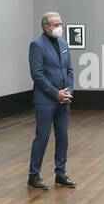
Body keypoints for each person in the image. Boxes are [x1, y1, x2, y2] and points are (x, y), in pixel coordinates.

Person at [27, 11, 76, 190]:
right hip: (45, 100)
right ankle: (33, 175)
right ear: (46, 27)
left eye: (60, 24)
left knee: (63, 137)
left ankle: (60, 173)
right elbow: (37, 75)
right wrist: (56, 93)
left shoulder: (63, 44)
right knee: (43, 137)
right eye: (55, 25)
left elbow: (69, 70)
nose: (59, 28)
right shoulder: (37, 45)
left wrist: (68, 91)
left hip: (64, 100)